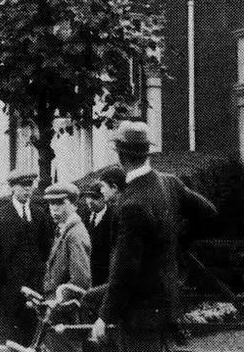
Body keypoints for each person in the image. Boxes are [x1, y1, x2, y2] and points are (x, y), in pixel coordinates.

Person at [90, 123, 180, 351]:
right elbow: (206, 214)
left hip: (139, 313)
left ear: (120, 156)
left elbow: (125, 267)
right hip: (162, 304)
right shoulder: (165, 184)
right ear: (147, 153)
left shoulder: (132, 203)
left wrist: (105, 315)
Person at [0, 167, 55, 345]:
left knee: (34, 336)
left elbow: (46, 249)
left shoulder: (39, 214)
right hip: (10, 290)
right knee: (13, 339)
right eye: (23, 186)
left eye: (30, 185)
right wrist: (11, 286)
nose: (27, 190)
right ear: (12, 188)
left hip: (36, 288)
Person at [43, 182, 91, 296]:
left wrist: (59, 301)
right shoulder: (63, 229)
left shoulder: (75, 233)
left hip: (65, 307)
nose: (54, 209)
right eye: (51, 203)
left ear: (73, 205)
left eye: (60, 203)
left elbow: (80, 281)